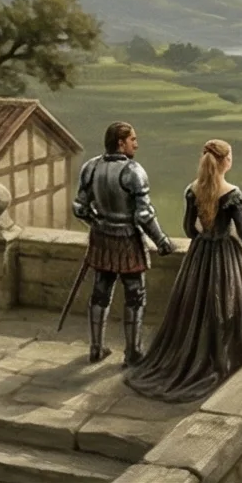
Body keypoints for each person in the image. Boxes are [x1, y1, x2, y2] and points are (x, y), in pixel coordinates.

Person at [126, 138, 242, 403]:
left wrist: (204, 236)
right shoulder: (233, 194)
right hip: (225, 256)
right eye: (230, 156)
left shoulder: (192, 190)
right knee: (225, 305)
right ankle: (220, 356)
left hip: (199, 255)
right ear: (225, 161)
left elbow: (189, 229)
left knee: (194, 305)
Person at [72, 121, 173, 364]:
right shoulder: (133, 171)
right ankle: (133, 352)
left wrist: (97, 222)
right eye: (132, 140)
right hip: (127, 239)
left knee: (101, 292)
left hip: (101, 238)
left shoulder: (91, 167)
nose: (136, 144)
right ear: (120, 143)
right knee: (135, 295)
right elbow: (144, 215)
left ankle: (96, 348)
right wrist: (161, 240)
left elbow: (79, 208)